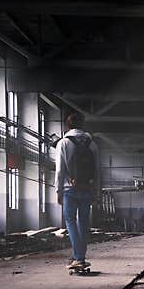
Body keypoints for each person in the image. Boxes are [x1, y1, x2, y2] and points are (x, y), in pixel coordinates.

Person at [55, 111, 100, 270]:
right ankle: (81, 256)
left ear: (68, 125)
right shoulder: (92, 144)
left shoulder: (63, 143)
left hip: (70, 189)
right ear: (82, 125)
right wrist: (96, 191)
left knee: (70, 221)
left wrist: (58, 191)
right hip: (87, 188)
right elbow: (96, 171)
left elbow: (60, 171)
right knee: (83, 222)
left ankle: (78, 257)